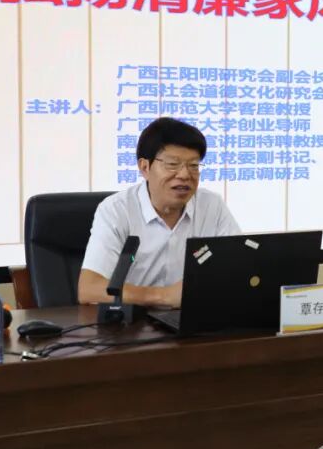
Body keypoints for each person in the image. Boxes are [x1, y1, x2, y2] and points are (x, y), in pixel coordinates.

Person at [78, 117, 240, 308]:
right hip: (131, 321)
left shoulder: (212, 205)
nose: (185, 175)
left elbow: (240, 266)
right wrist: (163, 296)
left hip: (192, 319)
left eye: (194, 165)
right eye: (172, 164)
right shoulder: (116, 210)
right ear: (145, 167)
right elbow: (89, 289)